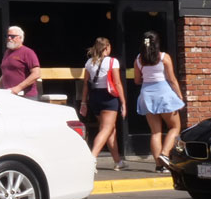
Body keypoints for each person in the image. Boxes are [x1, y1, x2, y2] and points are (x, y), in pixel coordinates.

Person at [135, 31, 185, 170]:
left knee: (155, 132)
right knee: (175, 127)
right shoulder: (163, 57)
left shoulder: (138, 59)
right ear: (157, 42)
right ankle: (165, 153)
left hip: (147, 95)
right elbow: (172, 79)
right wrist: (179, 96)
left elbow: (137, 80)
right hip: (164, 94)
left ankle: (159, 166)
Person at [78, 37, 125, 172]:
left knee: (110, 129)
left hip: (94, 96)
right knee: (106, 129)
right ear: (106, 48)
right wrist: (123, 101)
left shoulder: (89, 62)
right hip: (109, 97)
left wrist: (83, 102)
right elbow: (117, 83)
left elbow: (86, 83)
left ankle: (118, 161)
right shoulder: (112, 61)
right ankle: (92, 157)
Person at [0, 26, 41, 99]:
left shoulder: (28, 52)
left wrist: (18, 88)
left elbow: (36, 74)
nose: (9, 38)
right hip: (9, 95)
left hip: (26, 96)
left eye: (12, 36)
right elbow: (5, 74)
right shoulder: (7, 53)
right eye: (7, 36)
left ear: (20, 38)